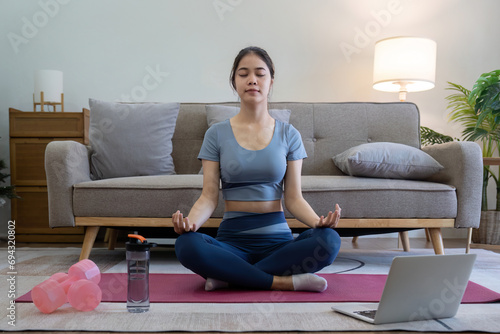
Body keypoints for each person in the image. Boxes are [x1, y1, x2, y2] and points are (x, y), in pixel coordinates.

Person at [173, 46, 341, 292]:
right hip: (231, 245)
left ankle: (231, 276)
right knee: (186, 244)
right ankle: (282, 281)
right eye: (243, 74)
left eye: (260, 73)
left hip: (278, 246)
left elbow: (294, 198)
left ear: (271, 81)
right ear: (234, 81)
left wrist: (318, 222)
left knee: (329, 240)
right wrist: (191, 224)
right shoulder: (216, 134)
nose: (252, 79)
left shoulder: (289, 134)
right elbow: (209, 196)